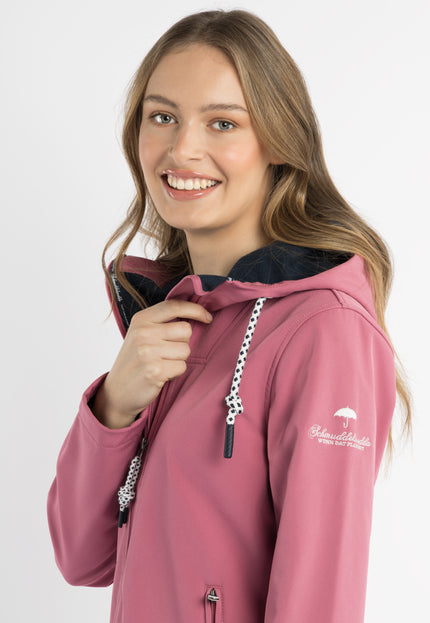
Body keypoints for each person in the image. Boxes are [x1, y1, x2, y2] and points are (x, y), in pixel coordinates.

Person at [47, 9, 411, 623]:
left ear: (279, 143)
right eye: (162, 117)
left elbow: (319, 601)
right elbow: (81, 557)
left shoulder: (325, 329)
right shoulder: (175, 319)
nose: (183, 149)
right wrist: (114, 405)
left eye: (223, 123)